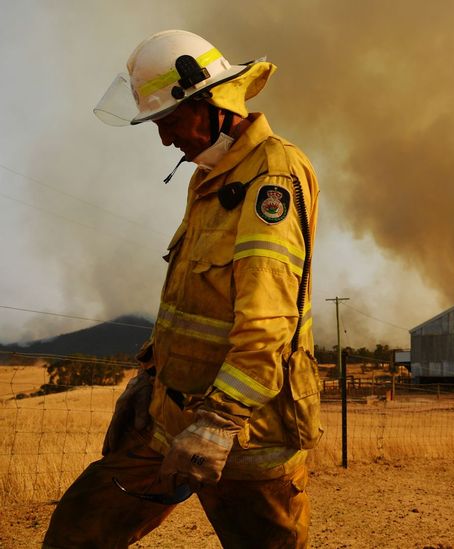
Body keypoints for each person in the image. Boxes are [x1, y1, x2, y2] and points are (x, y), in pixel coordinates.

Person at [43, 29, 322, 548]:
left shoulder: (272, 178)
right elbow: (192, 305)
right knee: (79, 530)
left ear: (212, 102)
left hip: (244, 438)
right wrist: (150, 377)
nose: (165, 139)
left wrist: (218, 421)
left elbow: (269, 322)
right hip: (168, 422)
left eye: (168, 121)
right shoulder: (211, 178)